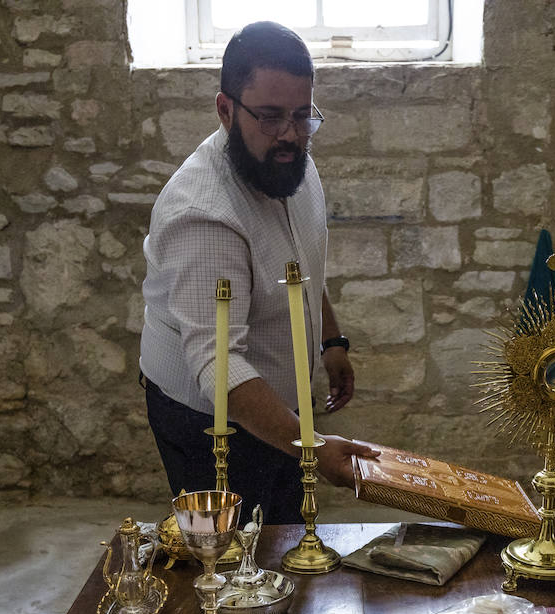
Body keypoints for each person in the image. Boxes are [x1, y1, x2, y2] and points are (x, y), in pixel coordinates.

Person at [138, 20, 377, 525]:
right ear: (226, 110)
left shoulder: (289, 161)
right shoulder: (202, 214)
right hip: (209, 420)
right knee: (227, 562)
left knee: (283, 536)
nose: (290, 134)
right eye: (270, 117)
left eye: (300, 115)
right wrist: (311, 447)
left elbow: (299, 262)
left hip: (277, 403)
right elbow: (219, 368)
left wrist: (331, 341)